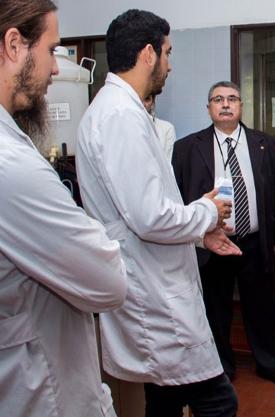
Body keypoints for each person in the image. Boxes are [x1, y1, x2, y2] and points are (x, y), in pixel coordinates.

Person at [75, 10, 240, 417]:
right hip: (154, 295)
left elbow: (146, 207)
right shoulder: (119, 116)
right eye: (167, 52)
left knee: (164, 400)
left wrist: (201, 232)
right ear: (148, 53)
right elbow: (149, 218)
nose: (170, 63)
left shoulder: (124, 110)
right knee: (219, 402)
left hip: (156, 282)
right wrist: (207, 211)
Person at [0, 1, 127, 416]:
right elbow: (107, 279)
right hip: (39, 392)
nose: (57, 68)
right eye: (53, 49)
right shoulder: (11, 165)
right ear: (15, 44)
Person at [173, 81, 275, 389]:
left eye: (231, 99)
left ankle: (271, 364)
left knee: (263, 307)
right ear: (209, 108)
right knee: (215, 309)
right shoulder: (188, 147)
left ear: (241, 106)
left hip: (255, 241)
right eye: (218, 99)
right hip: (211, 243)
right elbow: (175, 198)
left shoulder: (265, 144)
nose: (225, 104)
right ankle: (221, 369)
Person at [144, 92, 175, 161]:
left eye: (146, 99)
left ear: (153, 102)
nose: (142, 104)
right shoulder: (124, 124)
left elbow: (167, 164)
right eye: (138, 99)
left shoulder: (166, 128)